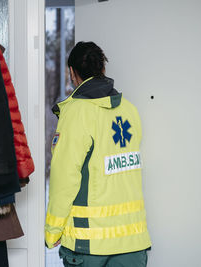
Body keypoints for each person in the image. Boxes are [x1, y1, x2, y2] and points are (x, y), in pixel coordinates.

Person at [45, 42, 151, 267]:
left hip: (89, 244)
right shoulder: (129, 110)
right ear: (102, 69)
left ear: (71, 72)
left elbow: (64, 179)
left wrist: (53, 231)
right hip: (133, 243)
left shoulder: (76, 113)